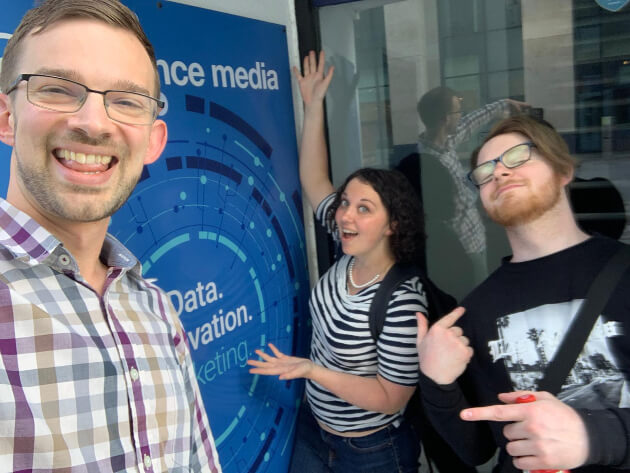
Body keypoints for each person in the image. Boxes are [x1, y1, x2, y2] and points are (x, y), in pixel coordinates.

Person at [0, 1, 221, 472]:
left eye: (126, 101)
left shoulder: (154, 307)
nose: (94, 122)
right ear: (5, 117)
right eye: (57, 90)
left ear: (152, 142)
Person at [416, 115, 630, 472]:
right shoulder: (478, 310)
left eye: (517, 157)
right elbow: (477, 449)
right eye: (485, 171)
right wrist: (437, 381)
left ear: (564, 171)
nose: (498, 173)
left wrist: (594, 436)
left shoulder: (624, 272)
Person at [247, 51, 425, 472]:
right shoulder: (347, 246)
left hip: (371, 450)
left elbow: (390, 396)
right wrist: (313, 105)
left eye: (364, 208)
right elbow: (314, 180)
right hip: (316, 430)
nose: (345, 215)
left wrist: (312, 371)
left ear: (392, 225)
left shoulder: (401, 301)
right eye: (346, 203)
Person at [397, 86, 528, 299]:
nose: (461, 117)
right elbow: (450, 209)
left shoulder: (444, 143)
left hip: (475, 238)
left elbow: (470, 123)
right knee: (476, 298)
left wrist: (502, 104)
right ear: (445, 118)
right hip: (464, 247)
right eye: (457, 112)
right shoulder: (429, 162)